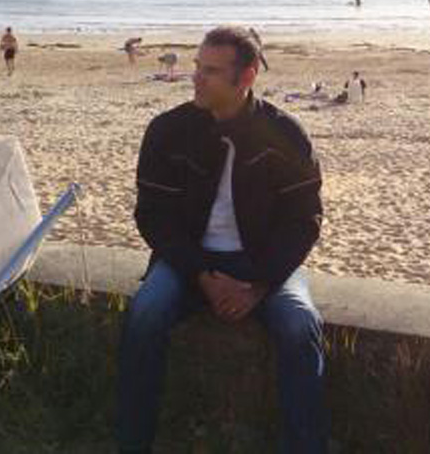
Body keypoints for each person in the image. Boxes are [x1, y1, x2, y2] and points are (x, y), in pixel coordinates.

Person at [117, 25, 327, 454]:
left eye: (210, 71)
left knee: (300, 326)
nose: (197, 77)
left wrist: (260, 284)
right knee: (143, 316)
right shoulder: (168, 131)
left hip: (263, 265)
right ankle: (133, 444)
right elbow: (153, 217)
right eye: (197, 66)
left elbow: (304, 221)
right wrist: (201, 274)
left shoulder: (285, 134)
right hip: (186, 263)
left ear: (246, 77)